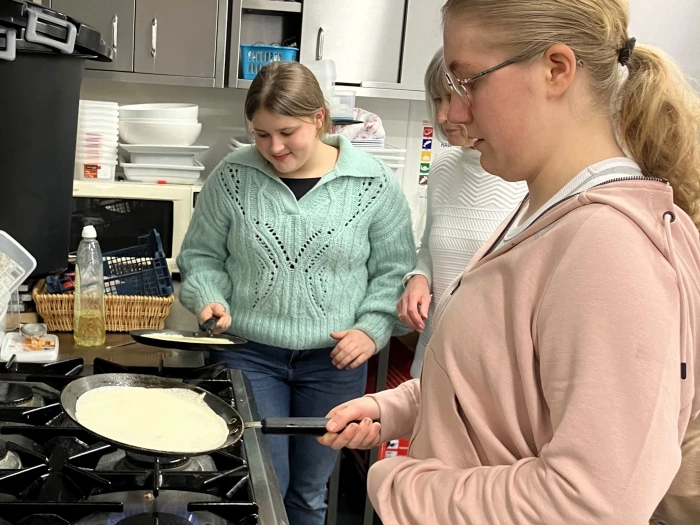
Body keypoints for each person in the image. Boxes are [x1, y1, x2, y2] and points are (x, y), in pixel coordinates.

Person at [318, 0, 700, 524]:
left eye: (468, 81)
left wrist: (397, 484)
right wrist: (403, 407)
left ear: (557, 69)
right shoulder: (541, 211)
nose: (452, 113)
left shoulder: (609, 246)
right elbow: (507, 384)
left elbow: (590, 502)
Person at [177, 61, 416, 525]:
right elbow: (202, 255)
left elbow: (394, 270)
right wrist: (209, 297)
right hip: (248, 355)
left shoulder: (372, 183)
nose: (274, 148)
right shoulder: (233, 176)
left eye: (287, 132)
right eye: (261, 134)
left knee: (308, 496)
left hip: (334, 362)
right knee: (262, 484)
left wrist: (371, 329)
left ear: (319, 118)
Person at [398, 48, 527, 378]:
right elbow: (429, 246)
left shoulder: (527, 179)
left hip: (490, 374)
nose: (442, 116)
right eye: (436, 101)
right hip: (431, 358)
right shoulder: (442, 167)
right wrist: (419, 278)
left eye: (449, 99)